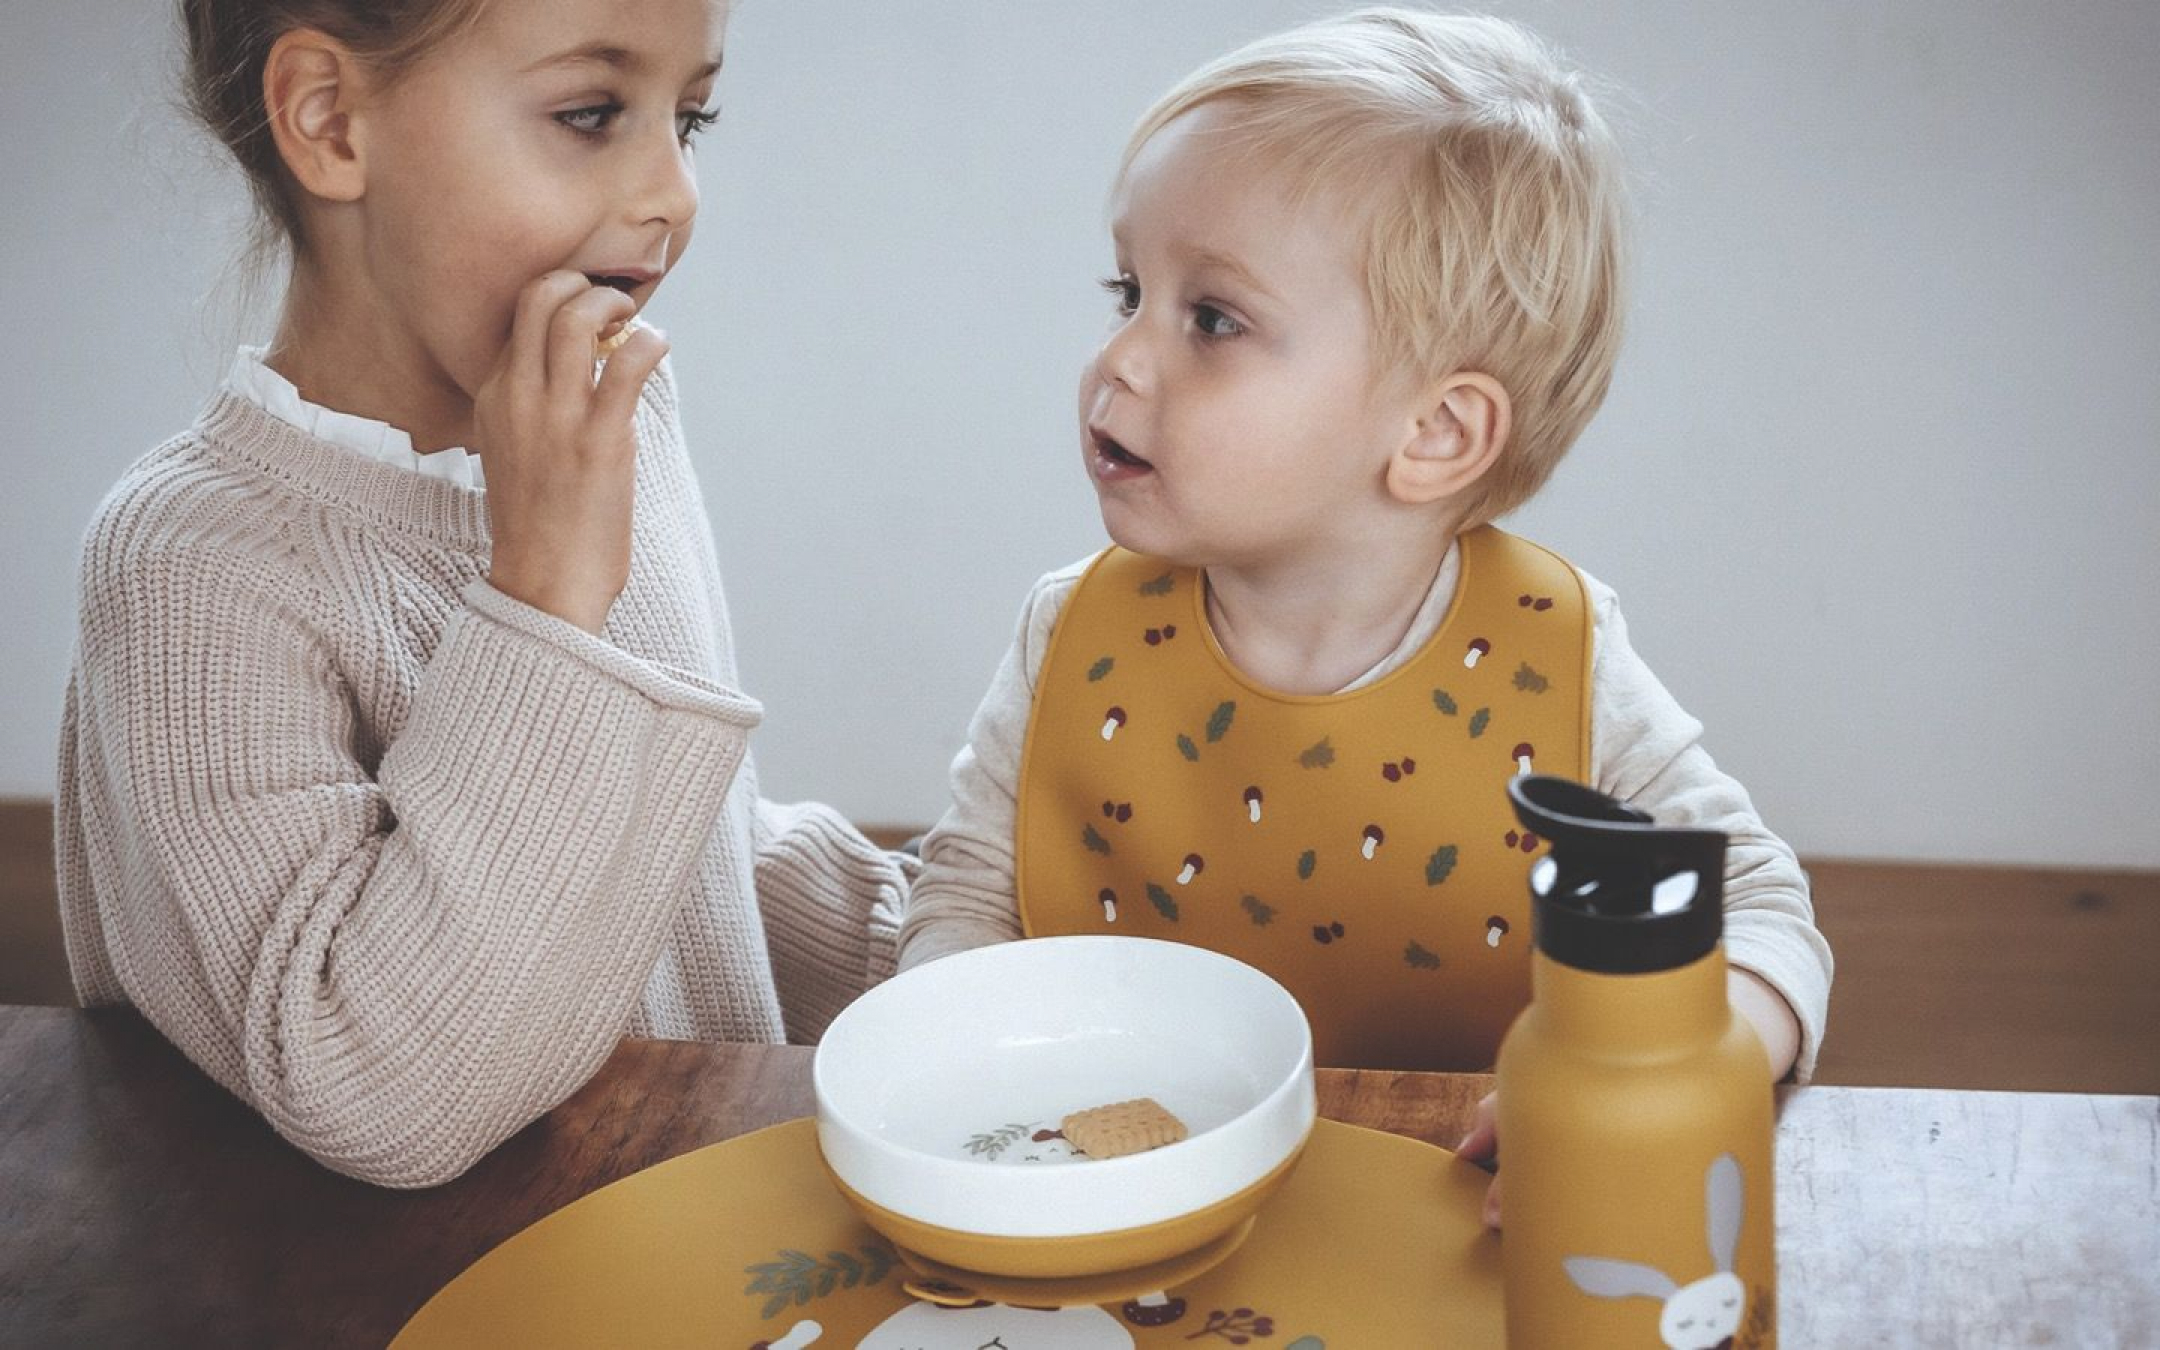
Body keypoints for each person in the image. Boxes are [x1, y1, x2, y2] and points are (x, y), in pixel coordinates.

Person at [897, 7, 1831, 1222]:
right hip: (1122, 1202)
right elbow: (969, 894)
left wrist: (1669, 1079)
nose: (1119, 357)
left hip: (1459, 1214)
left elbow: (1757, 910)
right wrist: (938, 1086)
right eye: (1128, 289)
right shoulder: (1066, 632)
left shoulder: (1561, 654)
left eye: (1213, 319)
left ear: (1436, 434)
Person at [54, 0, 912, 1188]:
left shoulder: (624, 424)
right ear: (331, 120)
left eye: (691, 116)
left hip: (680, 1233)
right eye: (591, 113)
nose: (674, 191)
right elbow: (377, 1091)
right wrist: (545, 595)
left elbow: (675, 855)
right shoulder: (189, 569)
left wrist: (951, 941)